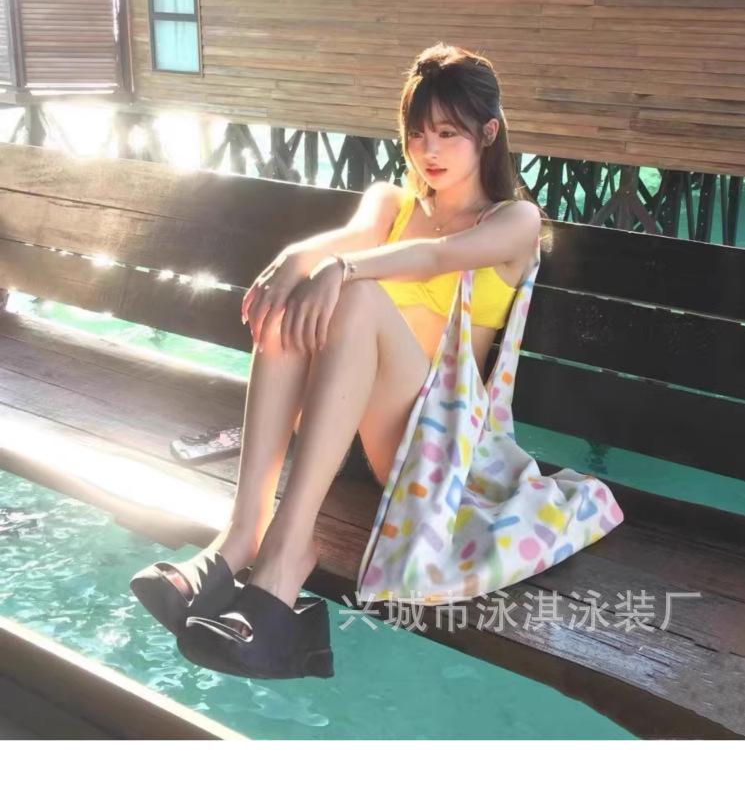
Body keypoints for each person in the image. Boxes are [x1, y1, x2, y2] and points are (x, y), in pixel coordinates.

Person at [151, 41, 547, 636]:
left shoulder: (515, 221)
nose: (429, 150)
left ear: (488, 133)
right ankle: (240, 535)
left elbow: (435, 256)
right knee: (289, 306)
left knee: (359, 293)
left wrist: (342, 268)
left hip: (431, 448)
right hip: (343, 430)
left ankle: (287, 555)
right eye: (418, 134)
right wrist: (295, 258)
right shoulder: (391, 202)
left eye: (448, 133)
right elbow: (349, 239)